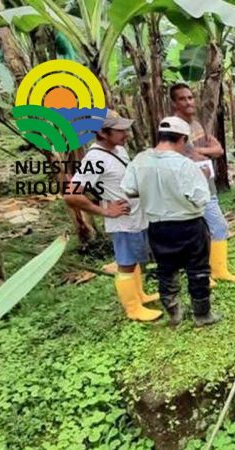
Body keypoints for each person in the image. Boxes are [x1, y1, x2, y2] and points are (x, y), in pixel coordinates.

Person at [121, 116, 220, 328]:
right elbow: (201, 198)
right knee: (198, 269)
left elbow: (129, 190)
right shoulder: (185, 165)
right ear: (182, 139)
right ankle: (202, 315)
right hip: (189, 225)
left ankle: (174, 313)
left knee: (165, 270)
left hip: (157, 226)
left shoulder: (139, 161)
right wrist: (201, 177)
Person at [65, 111, 161, 322]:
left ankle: (140, 295)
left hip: (137, 216)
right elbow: (71, 195)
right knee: (126, 263)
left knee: (135, 259)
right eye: (120, 130)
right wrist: (105, 211)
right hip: (123, 221)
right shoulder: (94, 158)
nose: (126, 134)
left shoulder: (119, 150)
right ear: (102, 132)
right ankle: (133, 308)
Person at [170, 83, 235, 284]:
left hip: (207, 186)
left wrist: (199, 152)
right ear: (174, 102)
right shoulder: (173, 127)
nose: (188, 102)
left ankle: (219, 270)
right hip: (189, 190)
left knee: (218, 226)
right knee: (196, 233)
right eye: (183, 98)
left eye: (190, 97)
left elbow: (217, 150)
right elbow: (188, 154)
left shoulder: (196, 124)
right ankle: (201, 274)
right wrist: (204, 152)